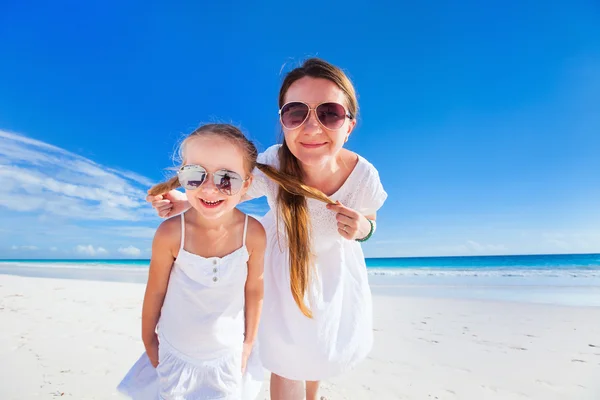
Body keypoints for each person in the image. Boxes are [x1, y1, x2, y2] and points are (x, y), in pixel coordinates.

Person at [148, 58, 388, 400]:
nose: (312, 127)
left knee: (317, 348)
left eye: (329, 113)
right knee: (287, 358)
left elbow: (371, 220)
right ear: (283, 122)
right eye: (296, 113)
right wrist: (185, 201)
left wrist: (363, 228)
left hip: (332, 272)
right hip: (281, 269)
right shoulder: (274, 162)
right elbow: (229, 189)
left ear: (348, 125)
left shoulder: (363, 175)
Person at [118, 123, 333, 399]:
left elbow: (254, 291)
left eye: (226, 179)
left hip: (228, 355)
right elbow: (156, 290)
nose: (210, 189)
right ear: (182, 177)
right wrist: (149, 339)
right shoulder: (171, 233)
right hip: (175, 353)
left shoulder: (252, 233)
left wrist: (248, 344)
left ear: (246, 184)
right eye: (196, 175)